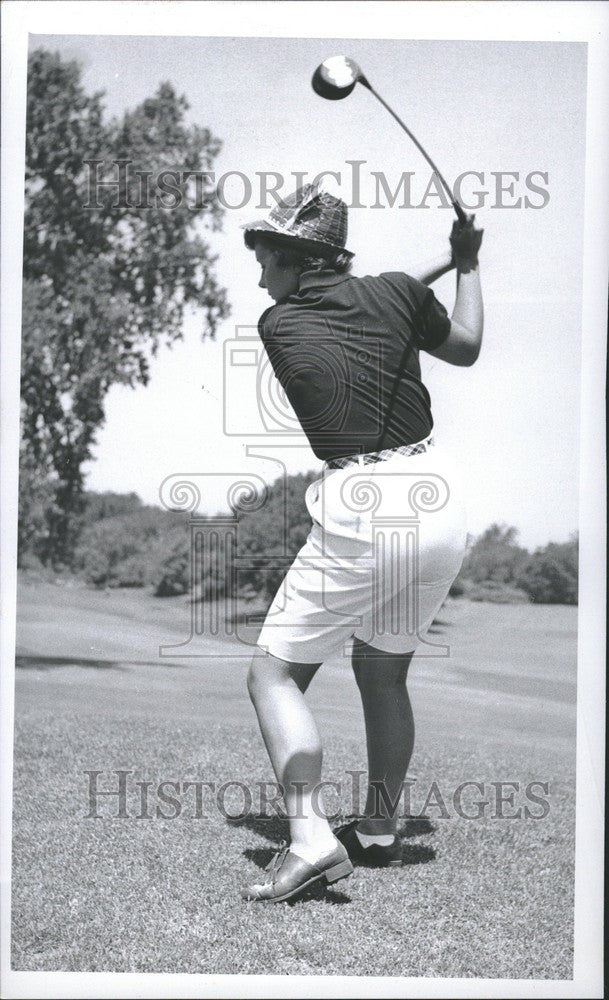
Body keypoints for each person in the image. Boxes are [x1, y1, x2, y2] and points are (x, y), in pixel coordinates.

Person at [239, 182, 483, 902]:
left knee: (272, 676)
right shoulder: (393, 297)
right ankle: (377, 830)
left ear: (295, 262)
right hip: (438, 502)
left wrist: (442, 260)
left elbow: (382, 288)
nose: (259, 276)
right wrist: (464, 263)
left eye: (265, 259)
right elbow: (460, 343)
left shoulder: (278, 323)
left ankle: (311, 840)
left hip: (362, 506)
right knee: (382, 673)